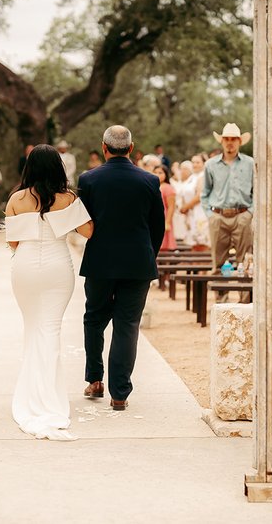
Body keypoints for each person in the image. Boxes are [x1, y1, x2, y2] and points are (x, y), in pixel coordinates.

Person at [5, 145, 93, 440]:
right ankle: (51, 399)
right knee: (51, 330)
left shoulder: (16, 199)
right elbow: (88, 232)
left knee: (32, 328)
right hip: (58, 268)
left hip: (26, 269)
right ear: (58, 167)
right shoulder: (68, 198)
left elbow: (13, 243)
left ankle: (32, 394)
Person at [78, 125, 164, 412]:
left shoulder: (88, 180)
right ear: (131, 147)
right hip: (138, 263)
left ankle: (95, 379)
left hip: (100, 262)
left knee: (94, 319)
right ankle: (120, 393)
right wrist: (146, 254)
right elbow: (157, 228)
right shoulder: (150, 181)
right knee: (127, 325)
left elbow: (84, 224)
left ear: (104, 147)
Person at [201, 123, 254, 273]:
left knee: (245, 261)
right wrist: (211, 216)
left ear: (239, 141)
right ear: (222, 141)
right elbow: (205, 192)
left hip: (242, 216)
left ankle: (244, 297)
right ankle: (221, 297)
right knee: (218, 262)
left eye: (233, 139)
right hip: (218, 216)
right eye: (227, 139)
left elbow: (256, 191)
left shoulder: (250, 163)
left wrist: (249, 213)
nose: (230, 142)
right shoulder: (210, 165)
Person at [180, 154, 211, 251]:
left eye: (198, 162)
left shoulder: (203, 176)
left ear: (204, 163)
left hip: (200, 212)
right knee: (193, 242)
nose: (195, 164)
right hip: (190, 213)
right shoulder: (192, 177)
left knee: (201, 241)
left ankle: (203, 264)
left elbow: (199, 196)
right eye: (193, 162)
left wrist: (186, 207)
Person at [155, 164, 177, 250]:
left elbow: (171, 206)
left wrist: (167, 222)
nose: (157, 175)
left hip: (164, 218)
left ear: (165, 174)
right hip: (154, 217)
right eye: (155, 172)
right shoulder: (153, 186)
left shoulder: (168, 188)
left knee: (164, 245)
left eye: (160, 173)